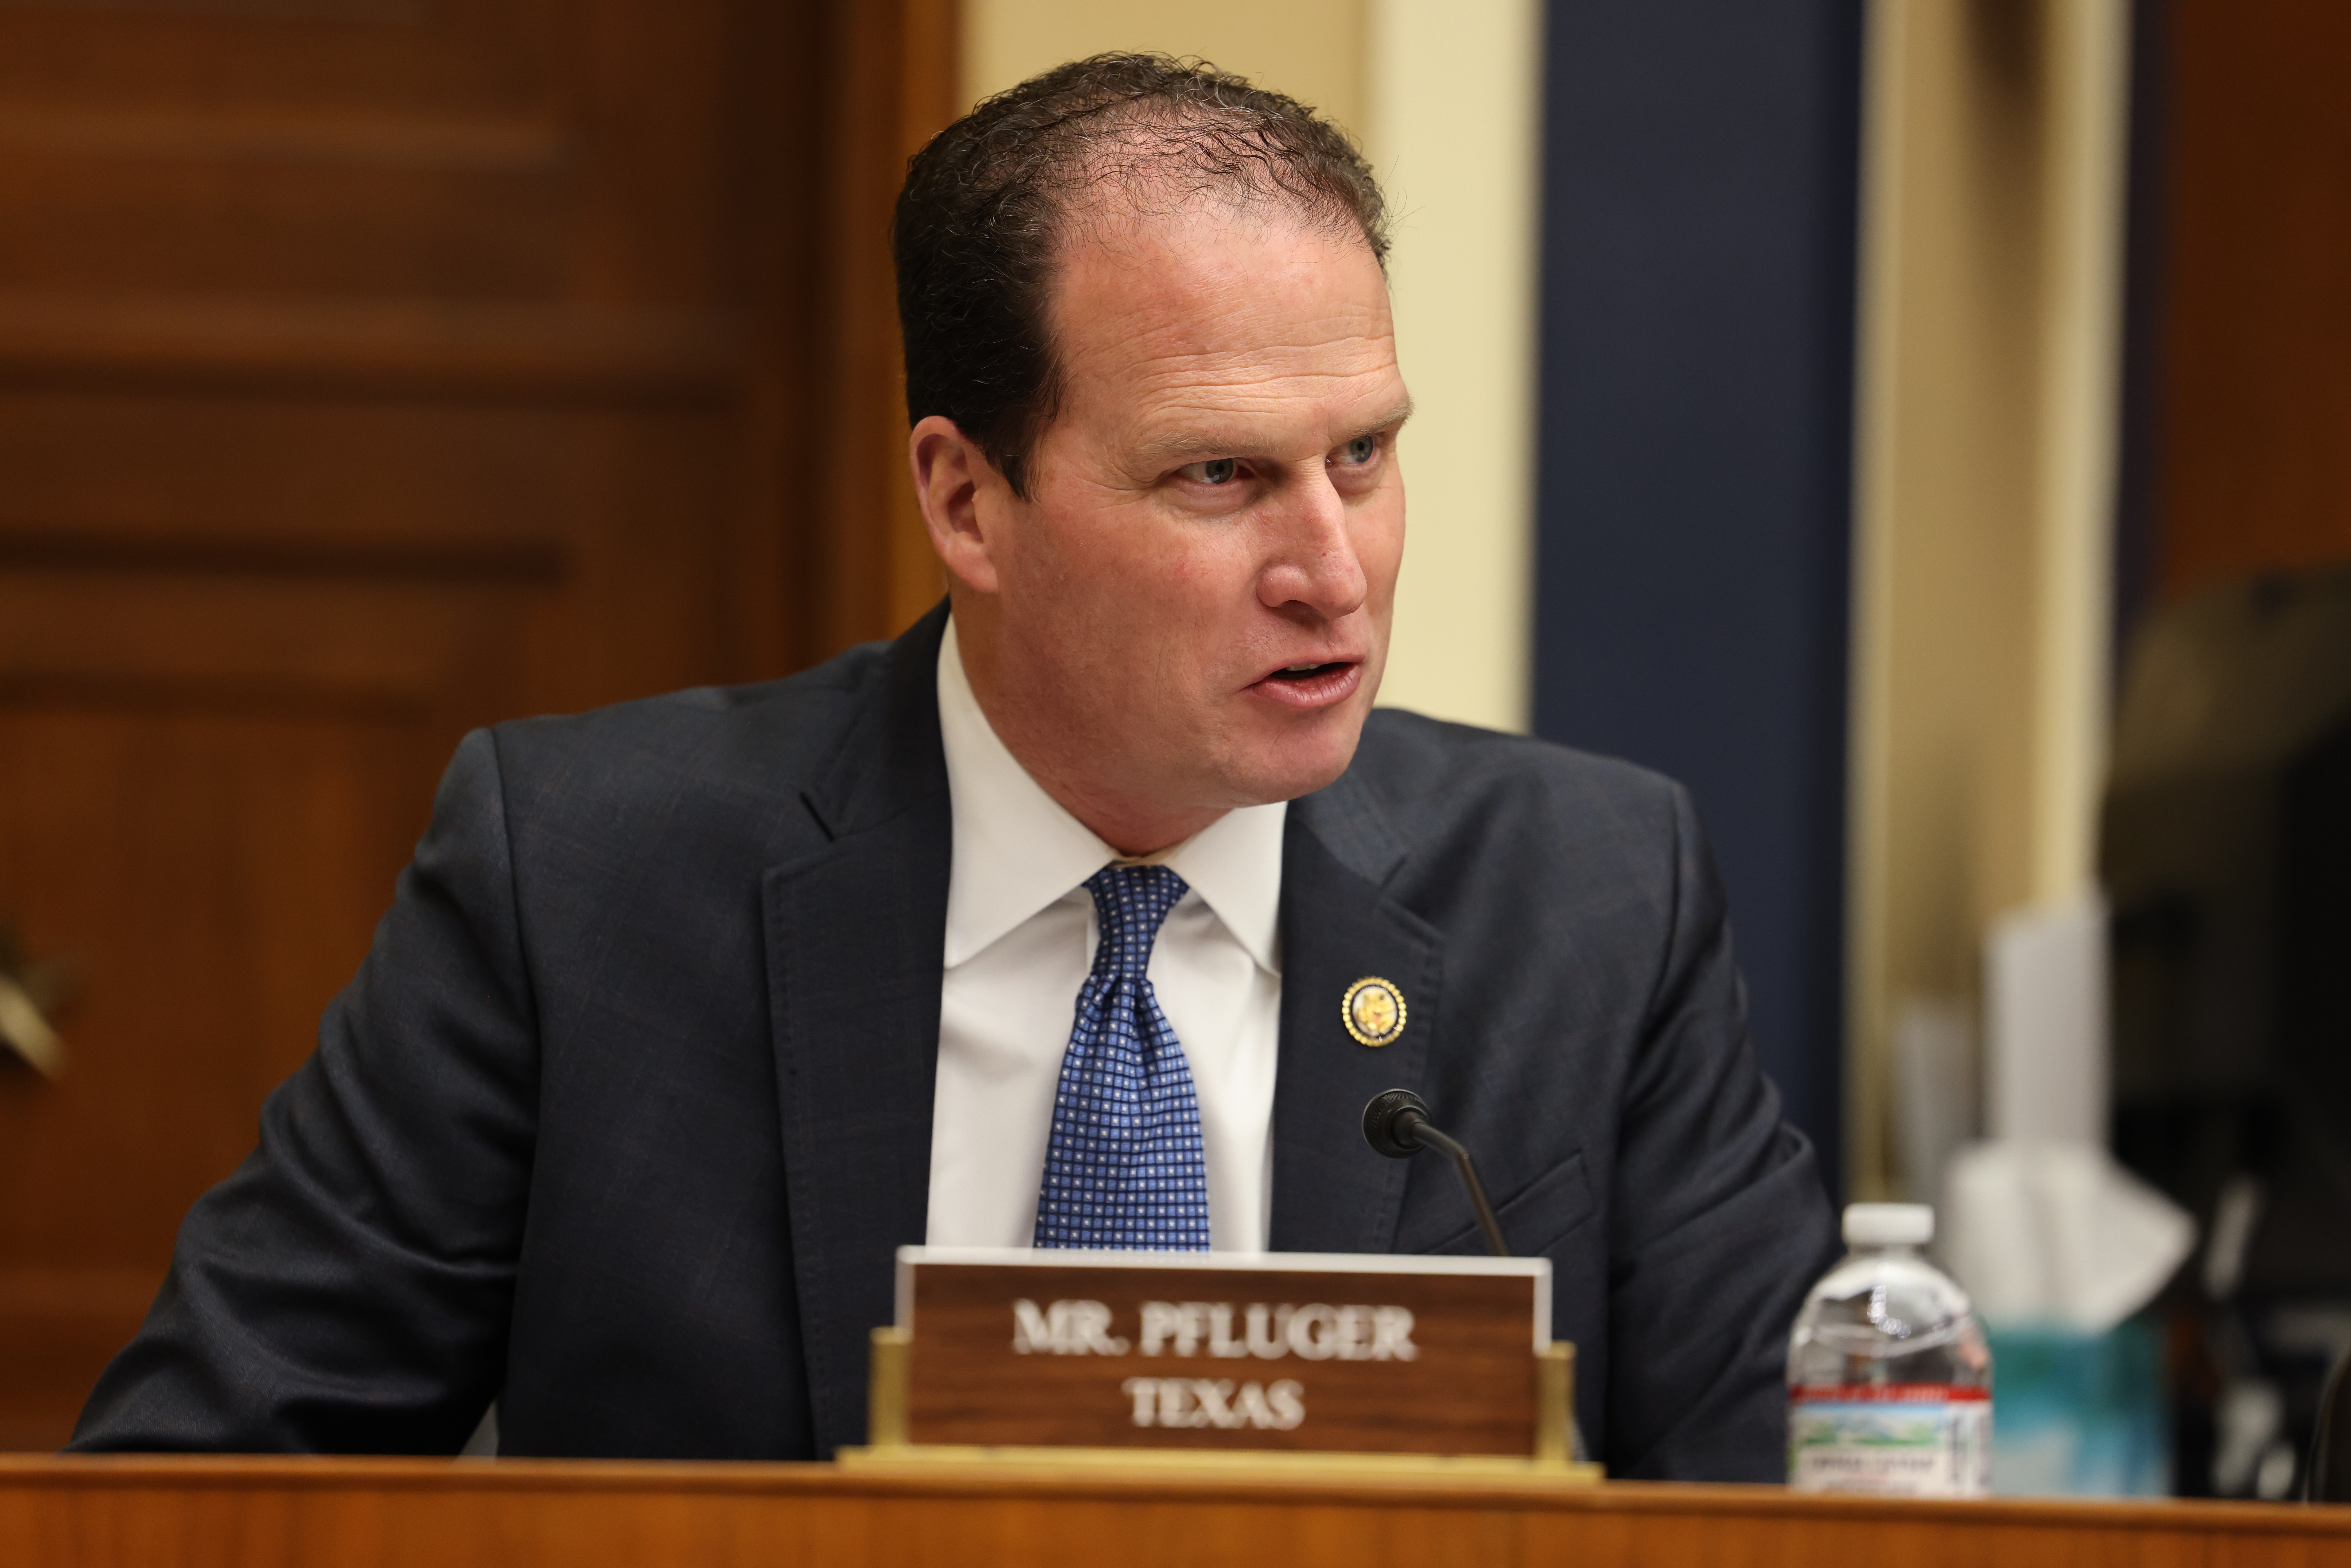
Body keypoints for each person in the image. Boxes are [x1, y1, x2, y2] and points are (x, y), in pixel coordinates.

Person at [72, 54, 1836, 1479]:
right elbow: (188, 1490)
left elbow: (1811, 1514)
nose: (1334, 565)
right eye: (1218, 476)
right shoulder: (582, 880)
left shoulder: (1594, 898)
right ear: (966, 498)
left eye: (1362, 453)